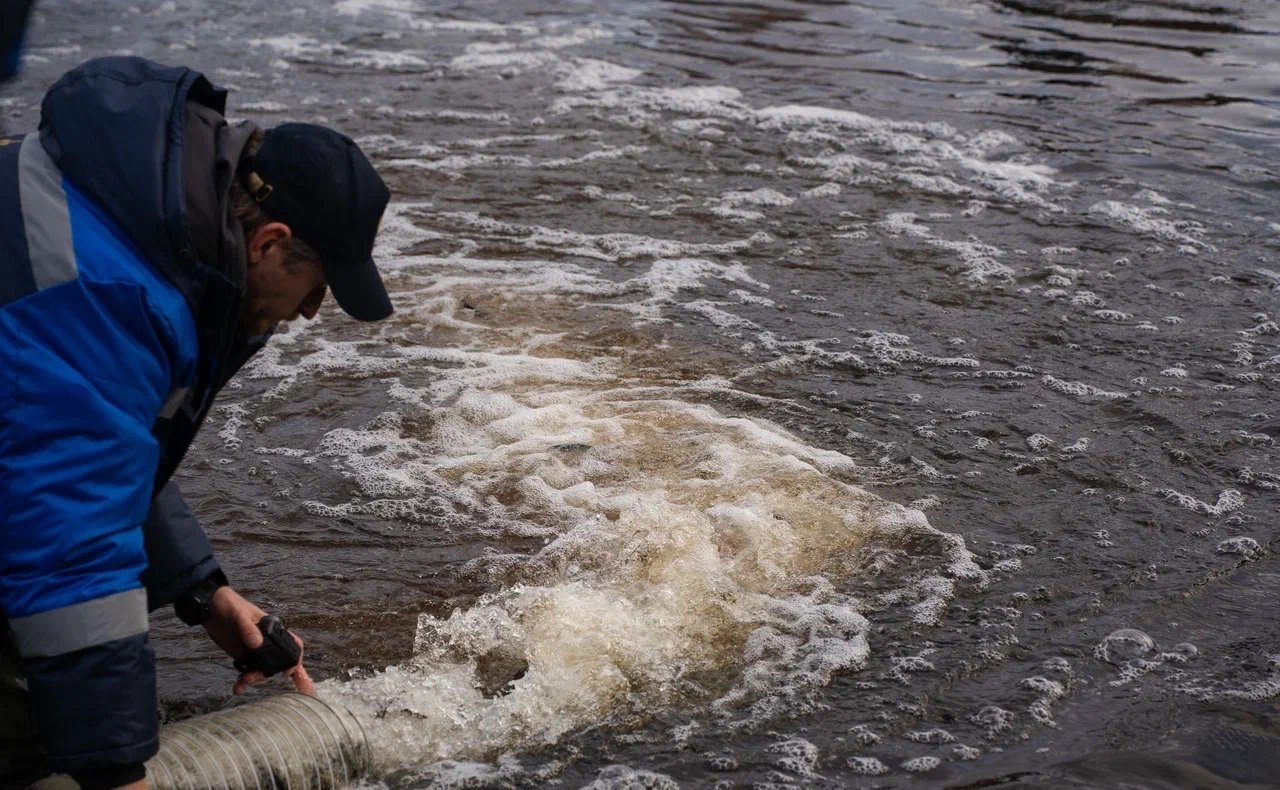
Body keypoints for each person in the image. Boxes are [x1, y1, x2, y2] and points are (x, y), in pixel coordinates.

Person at [0, 56, 395, 789]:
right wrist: (119, 770)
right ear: (271, 244)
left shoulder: (146, 224)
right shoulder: (113, 292)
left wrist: (201, 590)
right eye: (317, 289)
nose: (312, 313)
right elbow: (70, 539)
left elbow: (93, 445)